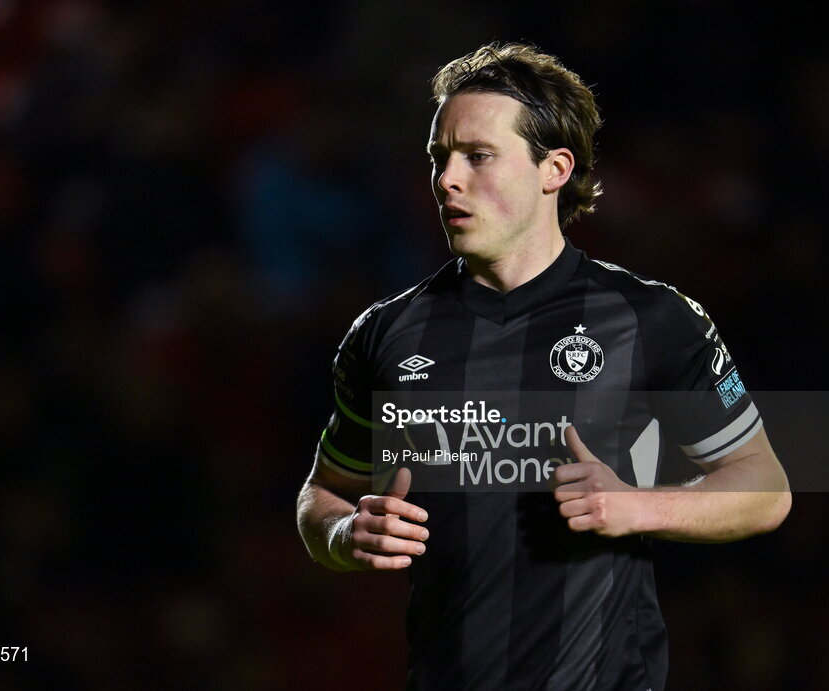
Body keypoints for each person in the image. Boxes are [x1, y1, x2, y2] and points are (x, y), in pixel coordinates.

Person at [297, 42, 791, 690]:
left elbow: (765, 487)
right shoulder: (386, 334)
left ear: (553, 168)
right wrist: (343, 532)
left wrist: (639, 507)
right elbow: (321, 493)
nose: (448, 178)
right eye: (439, 158)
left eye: (477, 156)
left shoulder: (652, 319)